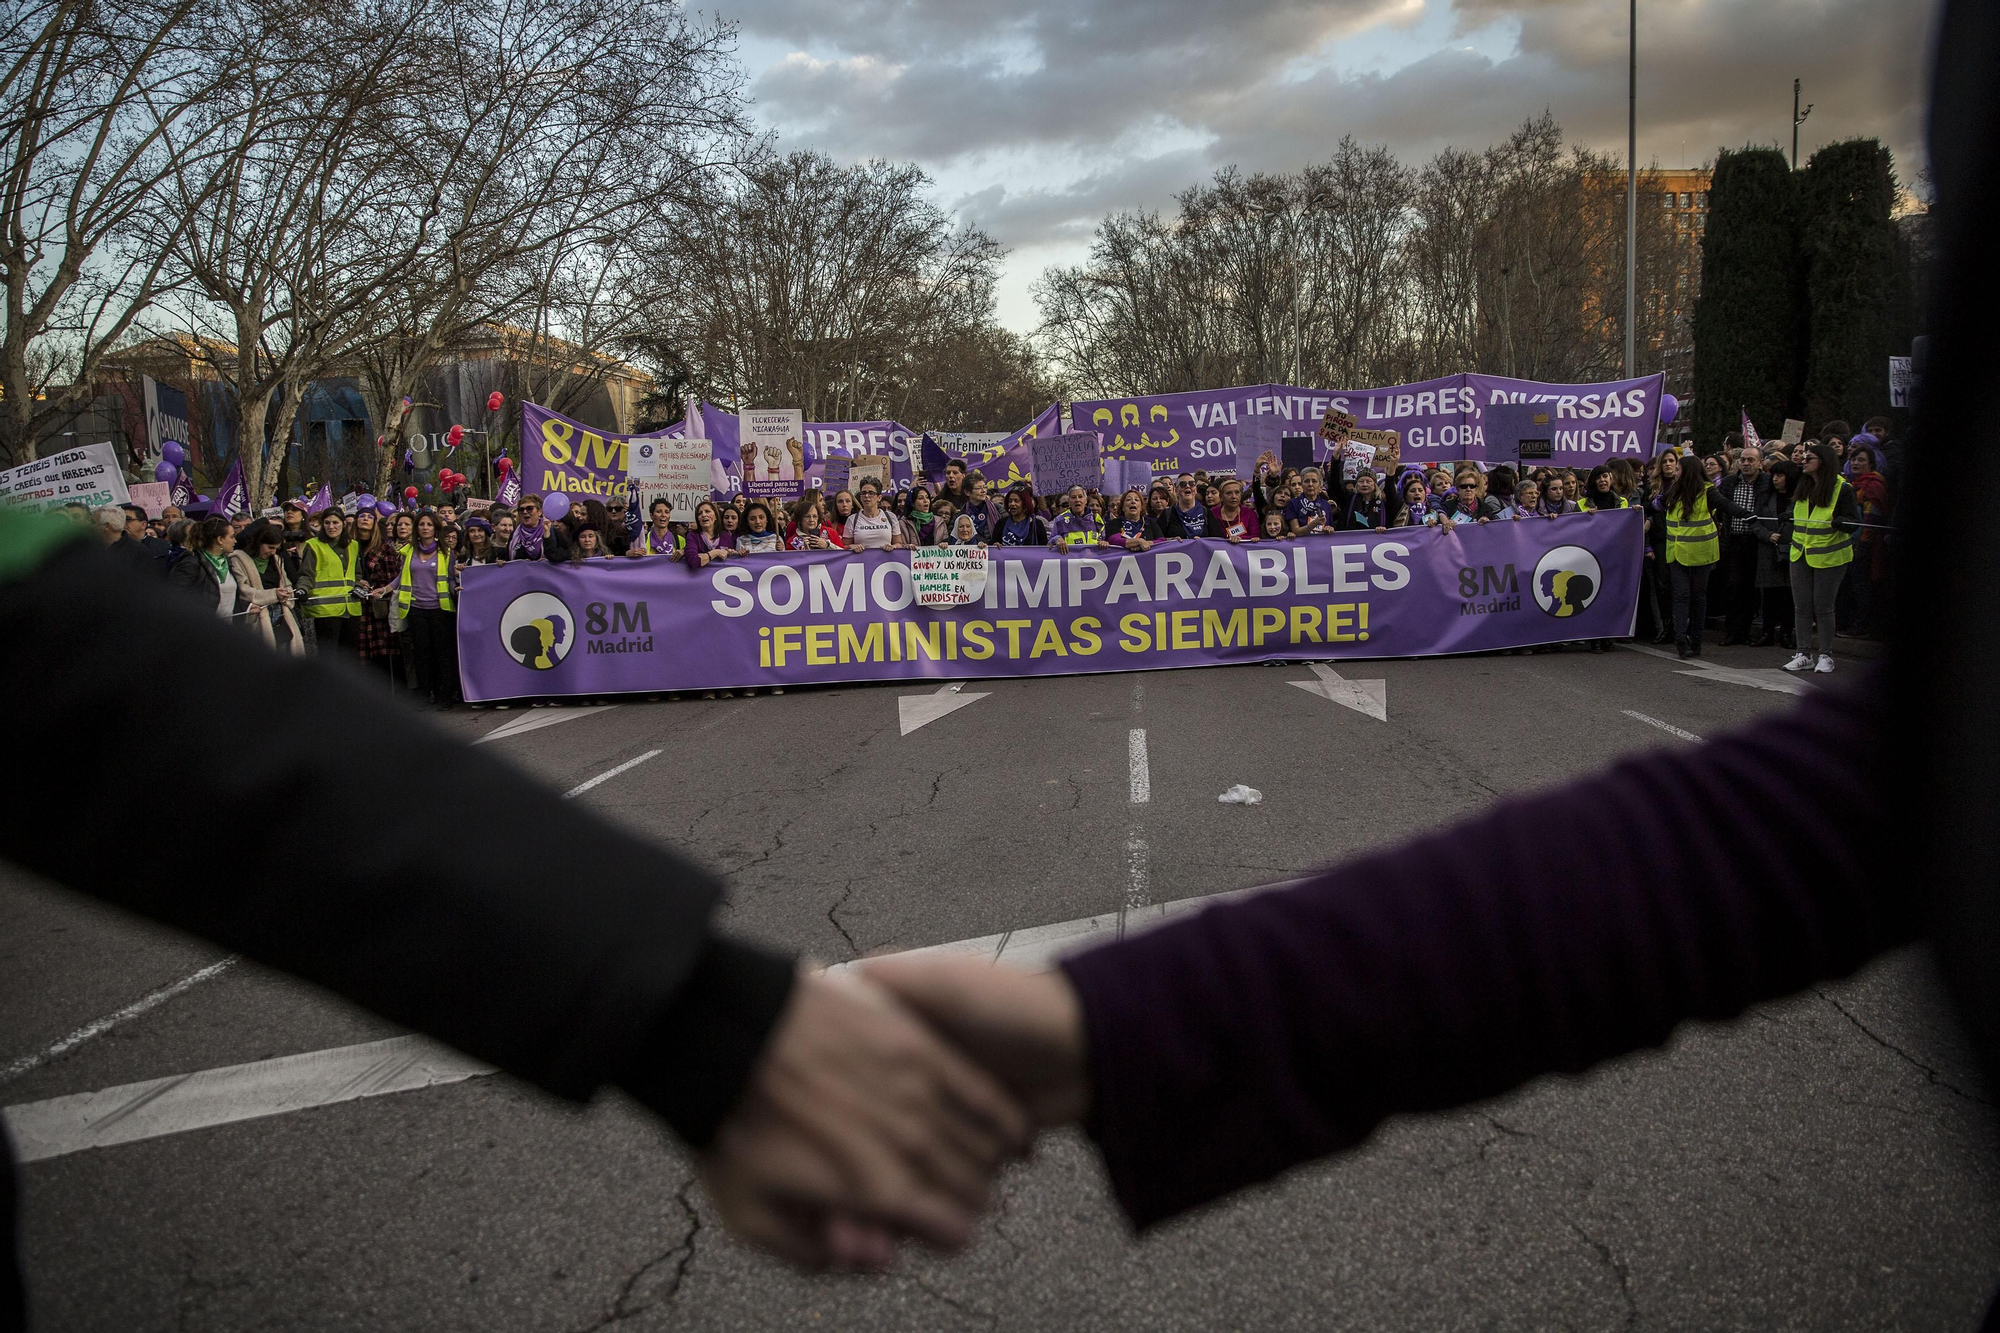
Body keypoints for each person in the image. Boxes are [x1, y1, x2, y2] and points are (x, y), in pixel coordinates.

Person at [1657, 453, 1749, 658]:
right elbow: (1657, 505)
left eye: (1678, 469)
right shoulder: (1673, 491)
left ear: (1687, 472)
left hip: (1701, 553)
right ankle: (1681, 640)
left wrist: (1746, 515)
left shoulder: (1708, 491)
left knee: (1698, 598)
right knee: (1681, 596)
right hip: (1677, 553)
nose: (1675, 472)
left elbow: (1726, 505)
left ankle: (1696, 641)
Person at [1783, 441, 1858, 675]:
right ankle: (1803, 653)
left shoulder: (1842, 488)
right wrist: (1787, 517)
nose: (1803, 461)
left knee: (1823, 607)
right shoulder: (1803, 485)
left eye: (1809, 458)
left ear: (1823, 462)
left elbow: (1853, 521)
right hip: (1800, 553)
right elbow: (1800, 516)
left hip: (1830, 556)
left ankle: (1826, 655)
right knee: (1802, 606)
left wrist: (1843, 522)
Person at [391, 511, 460, 708]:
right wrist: (386, 589)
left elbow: (450, 578)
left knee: (442, 654)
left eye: (429, 524)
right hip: (416, 609)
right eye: (421, 524)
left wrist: (456, 588)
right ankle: (425, 694)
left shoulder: (446, 552)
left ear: (435, 528)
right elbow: (401, 577)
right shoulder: (408, 551)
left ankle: (445, 695)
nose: (425, 528)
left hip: (440, 610)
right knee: (421, 654)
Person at [1718, 446, 1768, 645]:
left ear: (1760, 463)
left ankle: (1745, 631)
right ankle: (1732, 631)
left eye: (1751, 460)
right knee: (1733, 586)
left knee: (1751, 588)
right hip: (1734, 539)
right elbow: (1721, 508)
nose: (1746, 463)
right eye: (1743, 460)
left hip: (1756, 541)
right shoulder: (1729, 482)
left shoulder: (1766, 482)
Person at [228, 519, 301, 655]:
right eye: (270, 547)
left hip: (281, 619)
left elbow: (287, 584)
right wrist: (274, 595)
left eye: (276, 548)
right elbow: (243, 590)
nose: (273, 552)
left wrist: (287, 594)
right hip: (256, 620)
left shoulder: (277, 560)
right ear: (258, 543)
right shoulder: (238, 560)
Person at [297, 509, 360, 654]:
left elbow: (357, 574)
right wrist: (302, 589)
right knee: (329, 657)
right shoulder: (314, 545)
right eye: (327, 523)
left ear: (344, 524)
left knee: (349, 657)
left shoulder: (354, 545)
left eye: (335, 523)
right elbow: (306, 574)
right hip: (325, 610)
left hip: (350, 609)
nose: (331, 527)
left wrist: (359, 586)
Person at [167, 514, 238, 618]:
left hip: (226, 625)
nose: (235, 541)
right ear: (220, 540)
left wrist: (247, 606)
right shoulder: (191, 563)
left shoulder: (226, 561)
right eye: (231, 537)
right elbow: (175, 597)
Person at [843, 480, 903, 551]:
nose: (866, 496)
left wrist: (893, 546)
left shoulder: (891, 517)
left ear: (879, 498)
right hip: (860, 558)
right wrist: (851, 546)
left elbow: (899, 544)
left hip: (886, 558)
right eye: (863, 493)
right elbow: (844, 546)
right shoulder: (852, 519)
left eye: (871, 493)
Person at [684, 501, 734, 570]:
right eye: (699, 513)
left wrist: (735, 553)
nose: (703, 515)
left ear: (716, 516)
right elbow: (693, 561)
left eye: (707, 511)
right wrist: (716, 552)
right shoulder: (693, 536)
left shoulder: (726, 536)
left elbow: (731, 561)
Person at [1158, 475, 1212, 539]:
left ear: (1196, 490)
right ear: (1176, 491)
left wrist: (1202, 541)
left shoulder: (1207, 512)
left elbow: (1217, 540)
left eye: (1191, 484)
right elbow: (1157, 540)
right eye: (1182, 484)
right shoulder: (1166, 514)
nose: (1188, 486)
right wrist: (1171, 540)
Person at [508, 495, 549, 561]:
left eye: (529, 508)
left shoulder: (549, 531)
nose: (525, 512)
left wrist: (548, 561)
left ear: (539, 512)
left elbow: (560, 555)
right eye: (521, 510)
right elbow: (508, 558)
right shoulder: (514, 535)